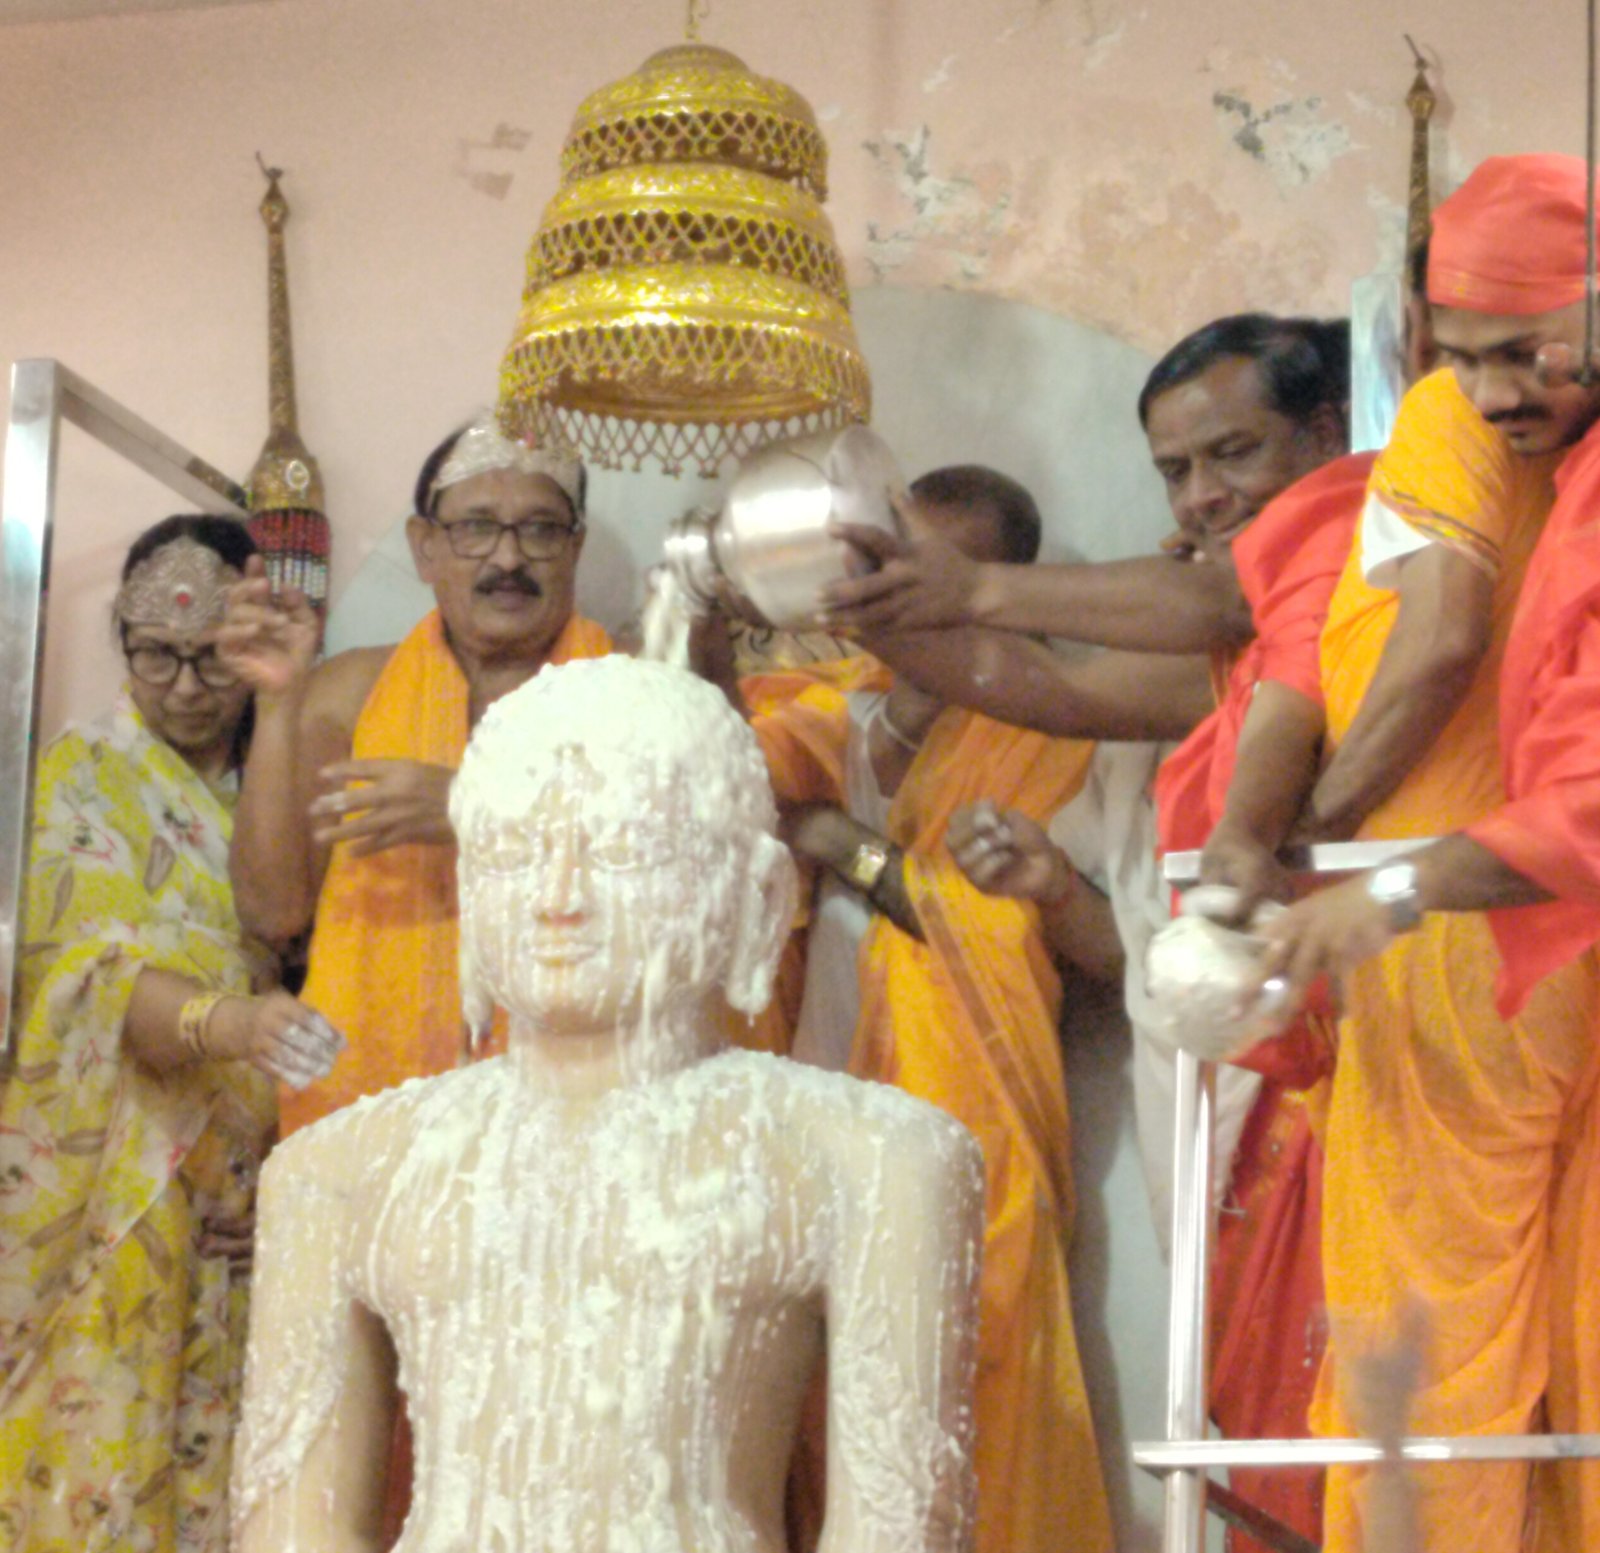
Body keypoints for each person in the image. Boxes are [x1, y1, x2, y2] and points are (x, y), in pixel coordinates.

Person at [230, 657, 985, 1553]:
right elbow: (293, 1526)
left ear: (756, 894)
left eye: (624, 851)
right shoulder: (340, 1171)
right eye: (512, 853)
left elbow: (897, 1525)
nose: (558, 898)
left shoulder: (869, 1156)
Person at [1218, 156, 1600, 1553]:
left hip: (1476, 936)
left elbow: (1446, 653)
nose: (1492, 391)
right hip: (1514, 919)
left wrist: (1350, 867)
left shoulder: (1455, 436)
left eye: (1524, 349)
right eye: (1460, 355)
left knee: (1431, 1345)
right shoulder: (1550, 454)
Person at [697, 465, 1110, 1553]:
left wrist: (847, 843)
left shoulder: (1052, 726)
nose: (905, 584)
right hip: (814, 1100)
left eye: (942, 567)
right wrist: (703, 618)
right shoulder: (838, 704)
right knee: (818, 1414)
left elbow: (1020, 923)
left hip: (967, 1135)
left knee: (972, 1391)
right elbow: (718, 777)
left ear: (1001, 586)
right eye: (892, 555)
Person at [0, 517, 343, 1553]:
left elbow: (329, 966)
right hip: (118, 1191)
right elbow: (77, 980)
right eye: (157, 655)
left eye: (211, 659)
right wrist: (228, 1020)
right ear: (123, 642)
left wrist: (292, 1170)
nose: (187, 688)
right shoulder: (83, 773)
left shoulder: (294, 769)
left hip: (257, 1191)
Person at [221, 412, 611, 1133]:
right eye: (476, 528)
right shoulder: (348, 694)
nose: (508, 557)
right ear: (425, 547)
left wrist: (475, 809)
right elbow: (273, 913)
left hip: (575, 1110)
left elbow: (686, 876)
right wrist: (277, 704)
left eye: (540, 529)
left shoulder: (634, 694)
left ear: (575, 547)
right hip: (374, 1109)